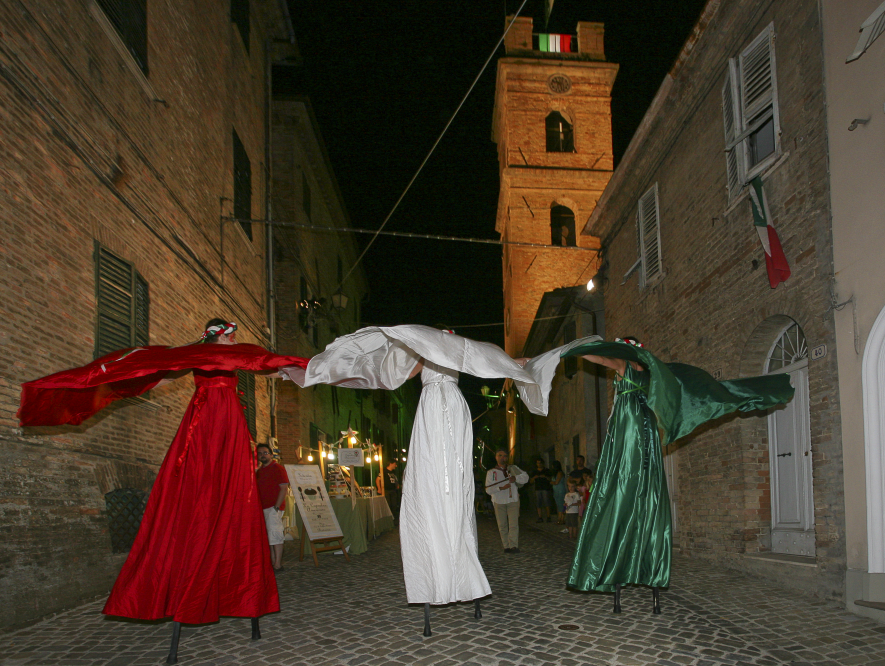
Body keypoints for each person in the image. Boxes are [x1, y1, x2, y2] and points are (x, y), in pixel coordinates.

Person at [18, 319, 310, 624]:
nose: (235, 340)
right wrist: (127, 382)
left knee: (232, 482)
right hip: (207, 417)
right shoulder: (195, 355)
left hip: (230, 423)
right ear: (216, 337)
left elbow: (266, 365)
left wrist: (294, 372)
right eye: (230, 336)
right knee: (199, 478)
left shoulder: (236, 357)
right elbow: (165, 374)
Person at [284, 325, 551, 607]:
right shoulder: (423, 352)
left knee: (455, 481)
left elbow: (488, 358)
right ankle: (434, 564)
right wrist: (336, 372)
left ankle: (460, 566)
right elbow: (390, 372)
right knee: (430, 476)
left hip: (453, 406)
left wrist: (518, 364)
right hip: (432, 404)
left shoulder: (461, 351)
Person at [555, 335, 794, 612]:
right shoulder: (656, 375)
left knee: (621, 491)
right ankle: (640, 566)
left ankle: (619, 557)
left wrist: (570, 350)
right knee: (643, 494)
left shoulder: (627, 367)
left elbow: (602, 358)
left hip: (631, 439)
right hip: (645, 437)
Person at [486, 449, 529, 553]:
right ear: (496, 457)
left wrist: (516, 478)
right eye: (500, 455)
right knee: (502, 525)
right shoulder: (491, 472)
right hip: (498, 501)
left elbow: (526, 477)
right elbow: (488, 489)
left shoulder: (513, 468)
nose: (502, 458)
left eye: (505, 456)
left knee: (513, 524)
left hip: (513, 499)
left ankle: (514, 545)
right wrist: (500, 488)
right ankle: (506, 546)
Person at [256, 443, 290, 571]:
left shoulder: (278, 468)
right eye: (260, 453)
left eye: (265, 453)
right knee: (267, 536)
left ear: (270, 454)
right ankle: (271, 562)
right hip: (262, 508)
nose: (263, 455)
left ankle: (277, 564)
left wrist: (276, 507)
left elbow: (283, 488)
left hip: (273, 508)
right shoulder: (259, 471)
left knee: (275, 535)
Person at [550, 460, 566, 525]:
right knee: (558, 505)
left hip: (560, 491)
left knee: (561, 505)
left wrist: (550, 482)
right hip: (556, 491)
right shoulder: (555, 474)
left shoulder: (560, 473)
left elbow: (556, 482)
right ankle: (560, 519)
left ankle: (561, 519)